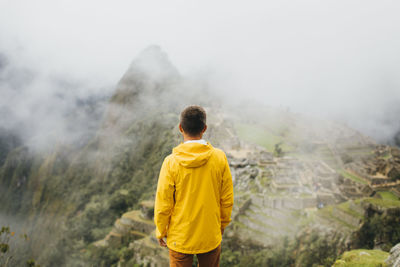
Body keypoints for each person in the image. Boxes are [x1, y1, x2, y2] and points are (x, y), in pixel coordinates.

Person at [154, 105, 234, 267]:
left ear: (180, 128)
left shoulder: (171, 162)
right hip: (210, 233)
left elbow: (164, 201)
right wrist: (222, 224)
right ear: (204, 128)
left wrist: (161, 230)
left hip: (180, 237)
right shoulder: (219, 158)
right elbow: (226, 198)